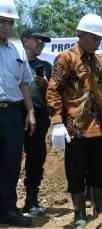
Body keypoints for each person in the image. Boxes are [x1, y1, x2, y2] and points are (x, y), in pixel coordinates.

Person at [46, 14, 102, 228]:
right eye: (93, 38)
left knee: (100, 169)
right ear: (80, 34)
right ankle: (79, 212)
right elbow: (53, 90)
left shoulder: (97, 60)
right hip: (75, 128)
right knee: (76, 171)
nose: (97, 42)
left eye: (99, 39)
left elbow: (101, 92)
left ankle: (101, 206)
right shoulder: (66, 57)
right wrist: (56, 121)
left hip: (98, 126)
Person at [0, 0, 35, 226]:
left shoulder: (18, 51)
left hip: (12, 113)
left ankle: (7, 209)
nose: (6, 26)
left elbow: (24, 85)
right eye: (2, 21)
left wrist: (30, 112)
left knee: (11, 163)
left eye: (10, 22)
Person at [20, 27, 52, 216]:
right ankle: (6, 203)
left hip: (39, 115)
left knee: (36, 158)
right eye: (38, 40)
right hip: (15, 112)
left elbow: (55, 94)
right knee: (9, 158)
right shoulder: (15, 61)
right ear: (25, 40)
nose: (41, 44)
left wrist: (48, 86)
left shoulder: (46, 66)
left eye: (43, 42)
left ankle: (31, 200)